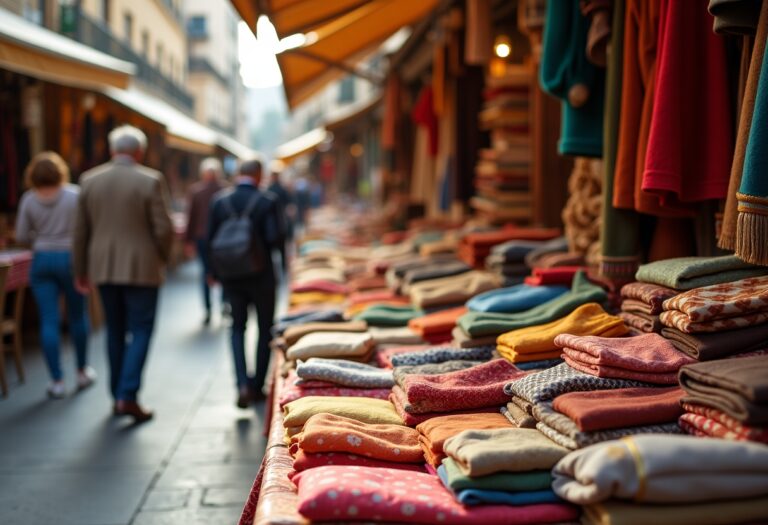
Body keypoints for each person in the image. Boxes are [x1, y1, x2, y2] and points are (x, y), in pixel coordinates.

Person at [73, 125, 173, 422]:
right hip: (142, 267)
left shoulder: (89, 180)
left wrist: (80, 270)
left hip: (103, 268)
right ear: (139, 151)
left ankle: (117, 393)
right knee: (141, 329)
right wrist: (163, 257)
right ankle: (127, 396)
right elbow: (164, 228)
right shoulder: (150, 180)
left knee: (114, 330)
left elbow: (80, 232)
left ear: (111, 149)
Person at [15, 152, 94, 399]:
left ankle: (57, 381)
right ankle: (81, 372)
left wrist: (40, 240)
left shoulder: (29, 199)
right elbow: (87, 228)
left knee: (49, 320)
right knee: (77, 315)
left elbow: (21, 235)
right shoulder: (74, 195)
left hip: (42, 260)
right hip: (71, 258)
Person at [207, 158, 282, 408]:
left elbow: (209, 240)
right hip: (261, 276)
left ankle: (241, 384)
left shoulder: (220, 202)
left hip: (231, 276)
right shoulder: (267, 201)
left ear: (239, 174)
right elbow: (274, 239)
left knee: (236, 328)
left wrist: (212, 273)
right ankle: (257, 385)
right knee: (264, 328)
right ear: (259, 175)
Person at [185, 157, 226, 325]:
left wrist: (188, 240)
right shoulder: (225, 189)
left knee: (205, 272)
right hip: (221, 237)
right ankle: (224, 304)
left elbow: (191, 217)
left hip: (202, 237)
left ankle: (208, 309)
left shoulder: (196, 191)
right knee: (224, 271)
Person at [266, 161, 294, 271]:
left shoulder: (269, 190)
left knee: (272, 251)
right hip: (281, 223)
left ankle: (277, 269)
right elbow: (290, 207)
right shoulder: (281, 189)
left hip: (273, 224)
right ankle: (283, 269)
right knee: (282, 249)